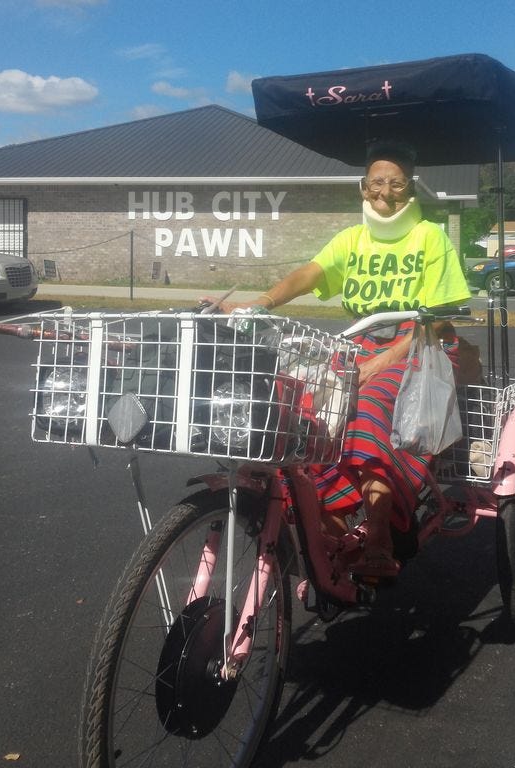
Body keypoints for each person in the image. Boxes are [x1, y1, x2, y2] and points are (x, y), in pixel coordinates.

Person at [204, 140, 471, 576]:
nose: (385, 194)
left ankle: (381, 536)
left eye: (396, 185)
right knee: (307, 414)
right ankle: (326, 528)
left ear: (411, 190)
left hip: (423, 346)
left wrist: (382, 364)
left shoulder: (430, 236)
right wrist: (261, 303)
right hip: (363, 342)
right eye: (376, 184)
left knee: (367, 406)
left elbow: (440, 319)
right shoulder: (352, 239)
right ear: (363, 189)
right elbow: (312, 273)